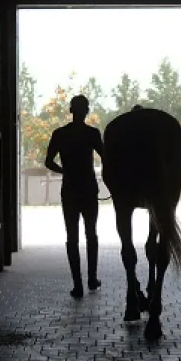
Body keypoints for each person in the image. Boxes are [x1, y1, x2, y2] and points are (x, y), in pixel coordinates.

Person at [44, 95, 104, 297]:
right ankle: (92, 279)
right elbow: (107, 157)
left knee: (72, 237)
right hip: (88, 188)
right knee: (91, 234)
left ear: (71, 110)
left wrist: (65, 171)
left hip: (69, 188)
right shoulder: (92, 134)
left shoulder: (60, 134)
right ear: (86, 111)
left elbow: (49, 162)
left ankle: (77, 284)